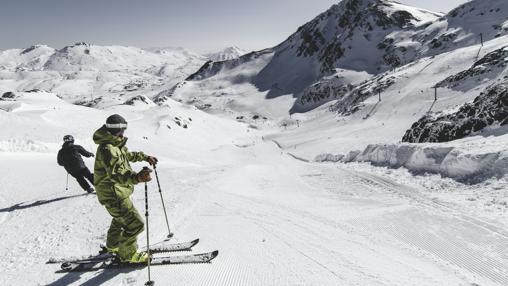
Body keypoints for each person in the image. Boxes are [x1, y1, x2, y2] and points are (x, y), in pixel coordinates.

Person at [93, 114, 158, 263]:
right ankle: (128, 255)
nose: (124, 133)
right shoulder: (108, 149)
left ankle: (113, 246)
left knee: (120, 219)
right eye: (122, 130)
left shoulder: (113, 143)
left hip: (115, 192)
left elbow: (126, 155)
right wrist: (137, 177)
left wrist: (144, 157)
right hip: (113, 193)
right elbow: (116, 174)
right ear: (117, 130)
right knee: (136, 224)